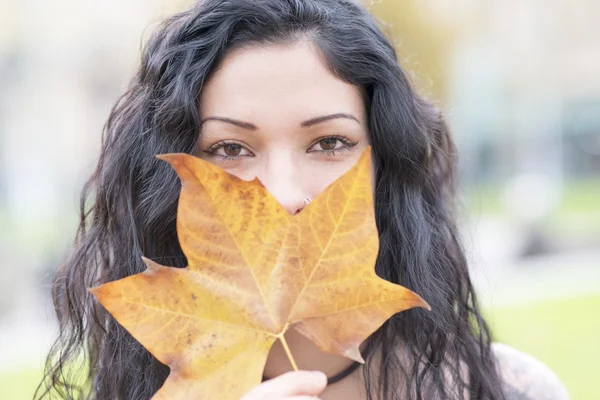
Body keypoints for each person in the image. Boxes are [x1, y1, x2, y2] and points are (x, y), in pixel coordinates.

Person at [36, 0, 570, 399]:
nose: (285, 192)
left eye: (330, 143)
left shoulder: (507, 389)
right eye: (229, 148)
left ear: (385, 162)